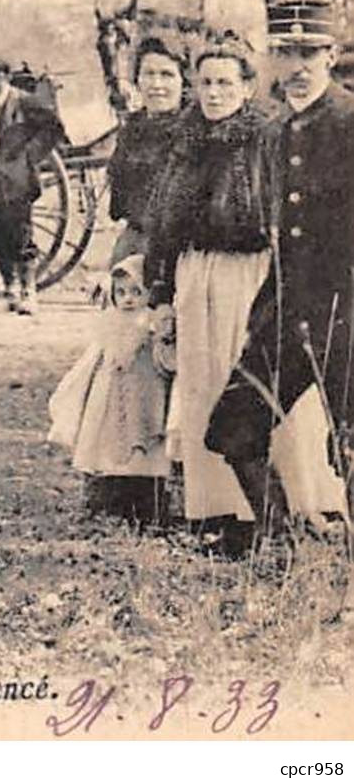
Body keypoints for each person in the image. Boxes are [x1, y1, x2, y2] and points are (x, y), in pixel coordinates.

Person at [206, 1, 353, 553]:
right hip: (288, 311)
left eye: (308, 52)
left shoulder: (347, 121)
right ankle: (277, 536)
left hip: (347, 310)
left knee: (351, 440)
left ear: (331, 55)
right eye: (285, 52)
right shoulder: (276, 131)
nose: (296, 65)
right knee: (235, 423)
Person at [144, 45, 281, 550]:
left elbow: (277, 218)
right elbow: (161, 224)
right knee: (199, 384)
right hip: (194, 271)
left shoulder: (265, 138)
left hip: (248, 272)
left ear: (247, 87)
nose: (214, 94)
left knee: (241, 381)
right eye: (205, 83)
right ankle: (214, 510)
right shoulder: (185, 142)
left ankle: (262, 515)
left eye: (226, 83)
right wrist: (160, 291)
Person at [46, 254, 174, 525]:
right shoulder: (109, 323)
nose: (128, 300)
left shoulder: (152, 324)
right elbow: (93, 360)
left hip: (144, 393)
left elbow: (166, 359)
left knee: (145, 441)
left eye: (136, 292)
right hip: (111, 392)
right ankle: (110, 501)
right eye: (121, 293)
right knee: (108, 441)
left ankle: (147, 504)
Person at [0, 58, 65, 315]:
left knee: (21, 235)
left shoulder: (25, 102)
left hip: (17, 178)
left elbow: (54, 128)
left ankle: (30, 292)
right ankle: (10, 290)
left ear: (3, 76)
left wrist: (30, 155)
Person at [105, 37, 187, 265]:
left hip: (180, 250)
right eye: (148, 74)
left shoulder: (196, 132)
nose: (156, 85)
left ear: (183, 81)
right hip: (134, 240)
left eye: (167, 75)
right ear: (137, 80)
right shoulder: (131, 130)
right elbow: (119, 200)